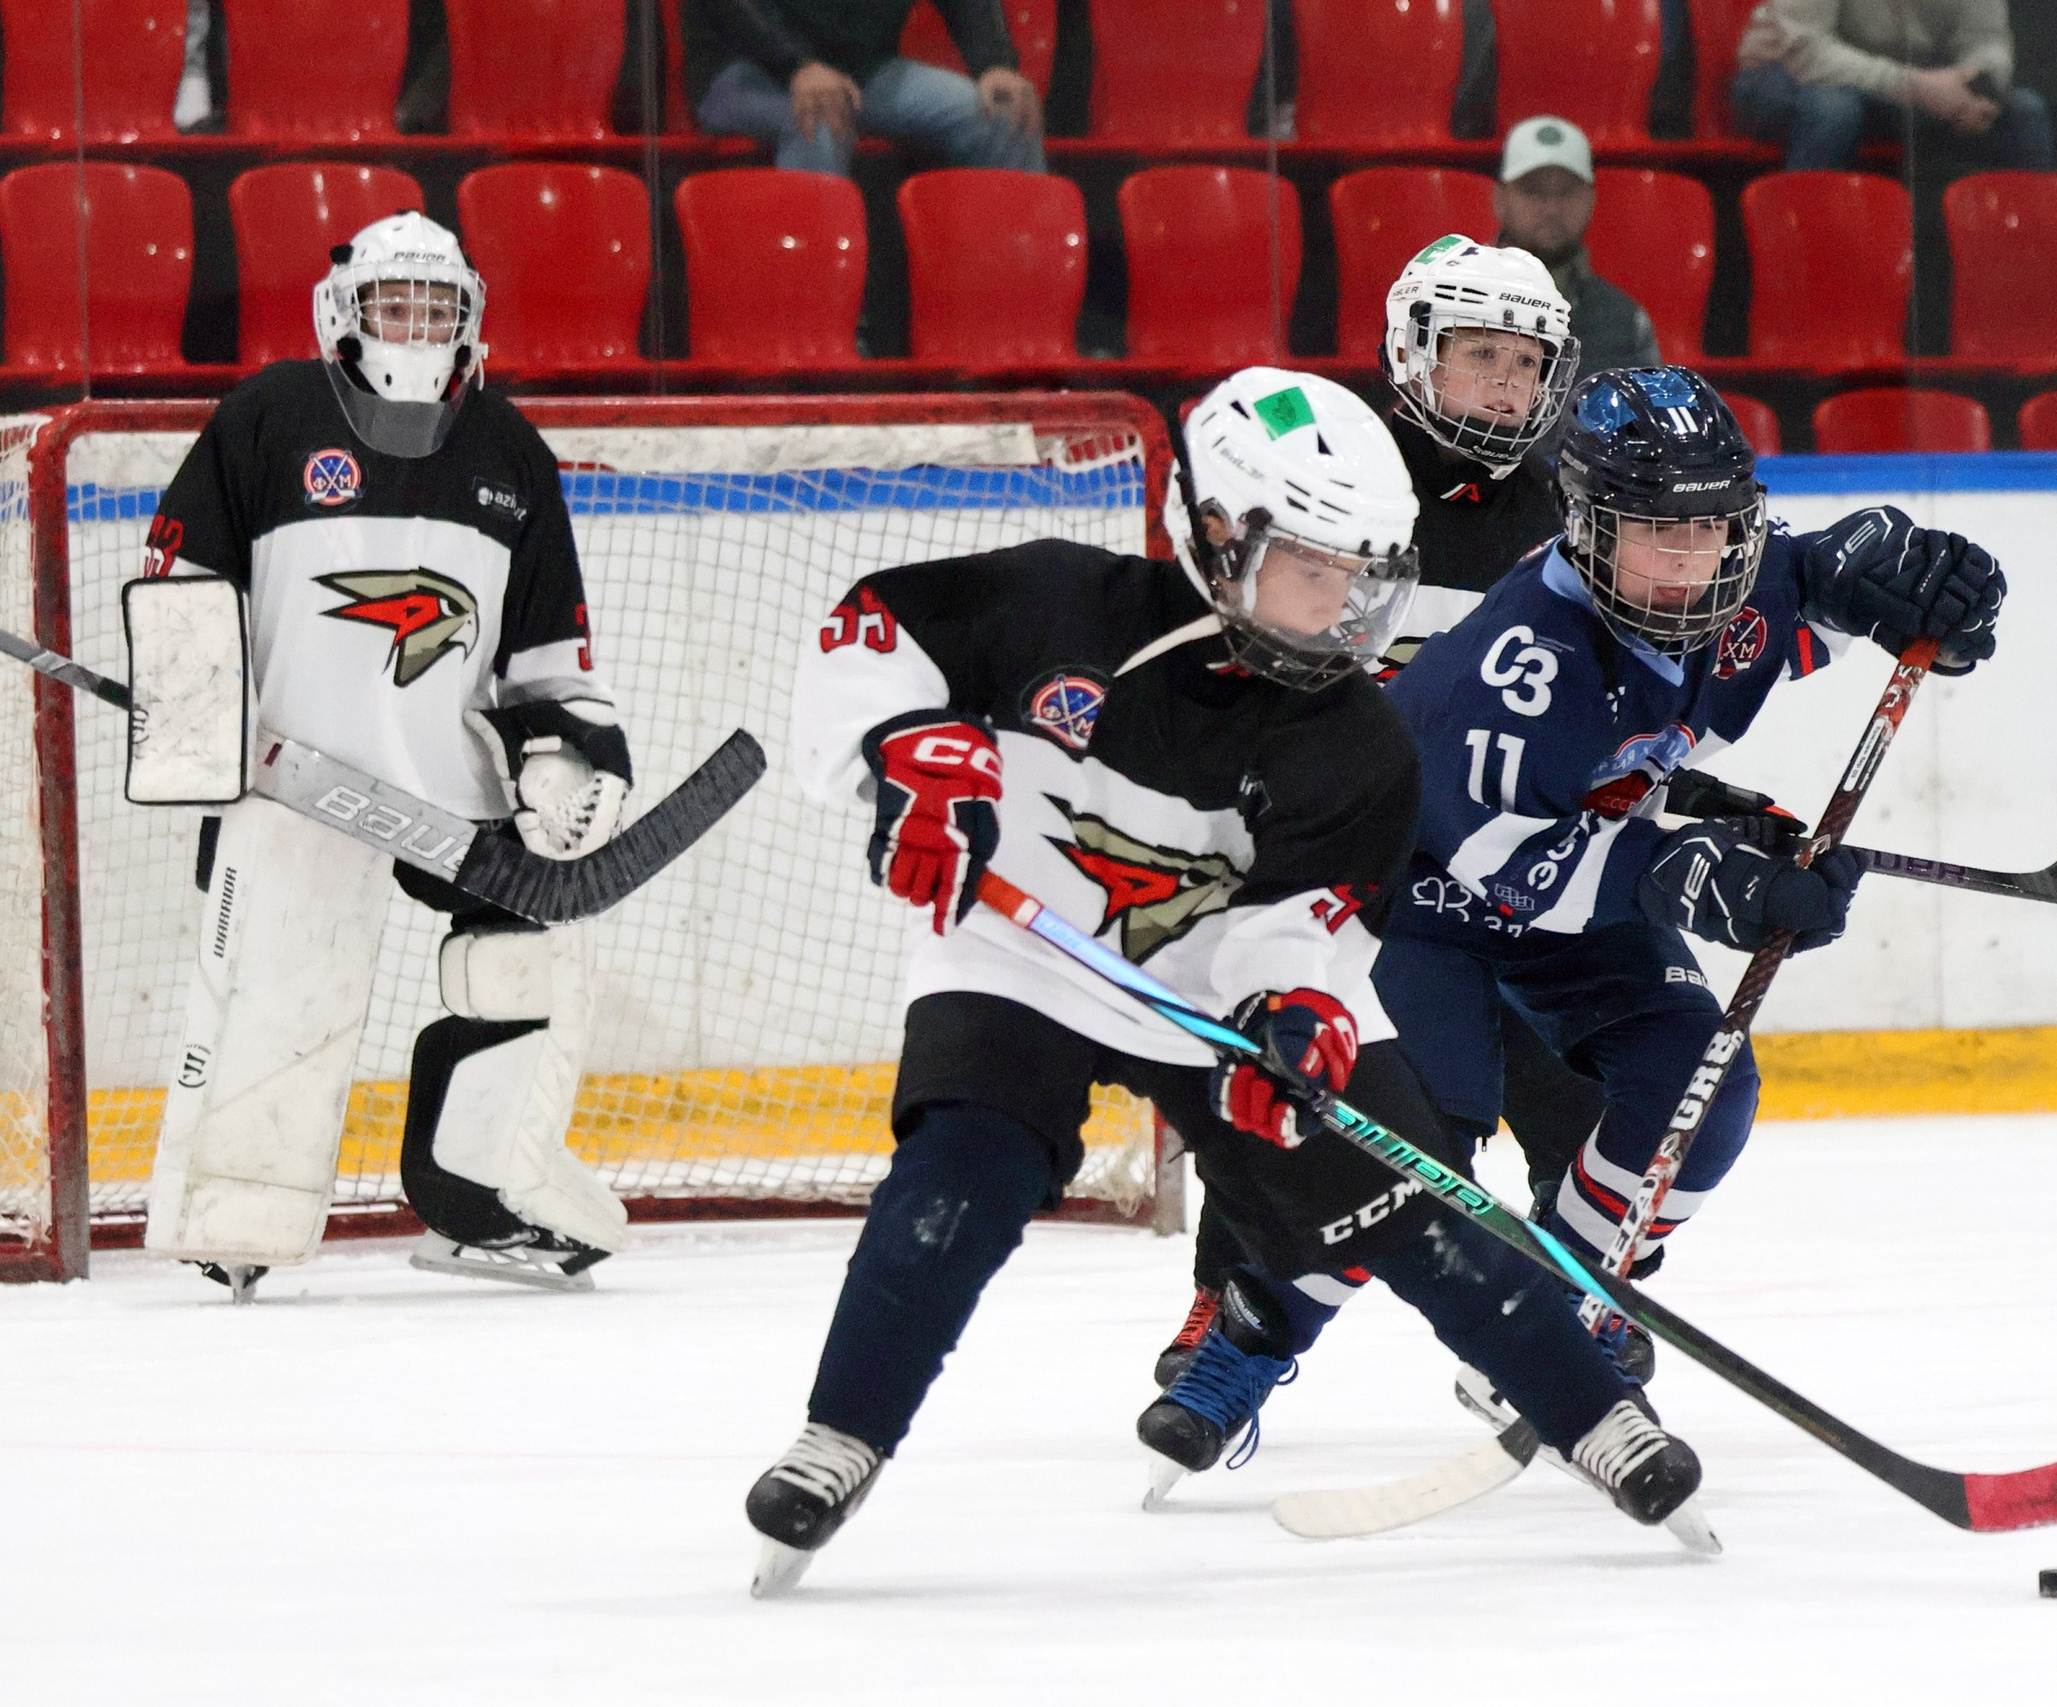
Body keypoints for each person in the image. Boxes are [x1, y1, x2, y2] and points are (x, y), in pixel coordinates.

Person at [745, 367, 1717, 1596]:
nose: (1349, 611)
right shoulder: (1053, 601)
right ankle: (842, 1435)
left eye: (1369, 576)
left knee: (1415, 1215)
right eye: (1316, 571)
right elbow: (867, 634)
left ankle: (1596, 1421)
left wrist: (1294, 1013)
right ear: (1214, 533)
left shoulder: (1356, 738)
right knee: (960, 1177)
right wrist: (905, 758)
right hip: (1022, 958)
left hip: (1212, 989)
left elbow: (1305, 919)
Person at [1164, 367, 2006, 1412]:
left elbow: (1830, 579)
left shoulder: (1711, 578)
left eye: (1712, 529)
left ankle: (1555, 1317)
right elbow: (1508, 871)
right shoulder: (1523, 665)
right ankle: (1249, 1341)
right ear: (1590, 528)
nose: (1691, 560)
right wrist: (1703, 875)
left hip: (1577, 897)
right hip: (1421, 905)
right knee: (1417, 1154)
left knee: (1699, 1086)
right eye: (1659, 533)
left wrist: (1924, 586)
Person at [137, 213, 635, 1300]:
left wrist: (564, 761)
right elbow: (181, 589)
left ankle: (478, 1203)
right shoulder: (267, 418)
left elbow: (549, 653)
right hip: (293, 784)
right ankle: (240, 1219)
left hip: (449, 785)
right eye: (393, 303)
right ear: (344, 313)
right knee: (285, 984)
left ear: (469, 320)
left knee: (522, 963)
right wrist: (196, 723)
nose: (416, 323)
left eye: (437, 305)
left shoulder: (509, 451)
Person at [1152, 237, 1606, 1388]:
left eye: (1524, 361)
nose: (1505, 385)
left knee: (1582, 1077)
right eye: (1479, 358)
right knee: (1298, 1089)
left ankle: (1572, 1294)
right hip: (1345, 866)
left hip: (1501, 865)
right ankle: (1232, 1302)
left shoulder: (1571, 515)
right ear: (1414, 354)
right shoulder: (1335, 483)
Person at [684, 0, 1043, 178]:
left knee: (1003, 113)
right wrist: (797, 65)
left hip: (863, 71)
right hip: (746, 67)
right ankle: (812, 312)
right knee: (819, 118)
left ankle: (1010, 304)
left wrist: (994, 64)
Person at [1729, 0, 2053, 174]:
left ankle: (2037, 272)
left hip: (1899, 88)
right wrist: (1917, 86)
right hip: (1785, 72)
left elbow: (1987, 40)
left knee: (2024, 111)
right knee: (1834, 111)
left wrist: (1975, 86)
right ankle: (1801, 261)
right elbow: (1807, 51)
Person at [1492, 118, 1661, 375]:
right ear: (1500, 199)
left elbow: (1650, 413)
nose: (1551, 209)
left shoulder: (1625, 320)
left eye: (1567, 192)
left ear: (1591, 200)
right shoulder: (1453, 304)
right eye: (1533, 192)